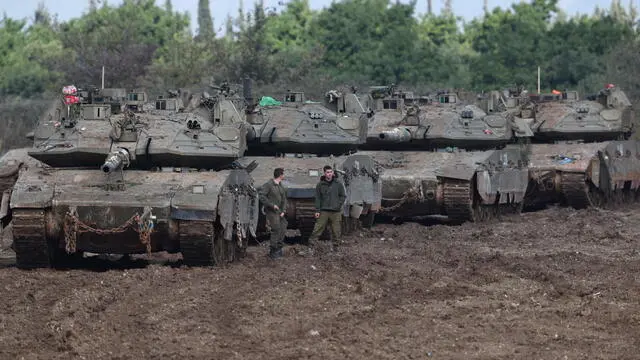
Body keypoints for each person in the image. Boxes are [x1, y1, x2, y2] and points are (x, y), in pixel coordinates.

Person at [307, 165, 346, 252]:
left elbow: (343, 196)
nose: (329, 174)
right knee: (317, 229)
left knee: (336, 230)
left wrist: (338, 205)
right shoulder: (320, 185)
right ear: (324, 173)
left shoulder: (338, 184)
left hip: (335, 211)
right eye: (327, 172)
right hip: (324, 211)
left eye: (331, 172)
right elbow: (318, 198)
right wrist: (317, 210)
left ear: (333, 173)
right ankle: (311, 247)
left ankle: (336, 248)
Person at [258, 168, 288, 259]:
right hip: (272, 211)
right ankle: (273, 251)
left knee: (283, 226)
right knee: (276, 229)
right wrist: (271, 205)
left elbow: (284, 200)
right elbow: (261, 195)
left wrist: (283, 211)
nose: (284, 176)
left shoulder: (281, 186)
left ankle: (279, 248)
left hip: (279, 212)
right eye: (283, 174)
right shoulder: (269, 185)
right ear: (280, 175)